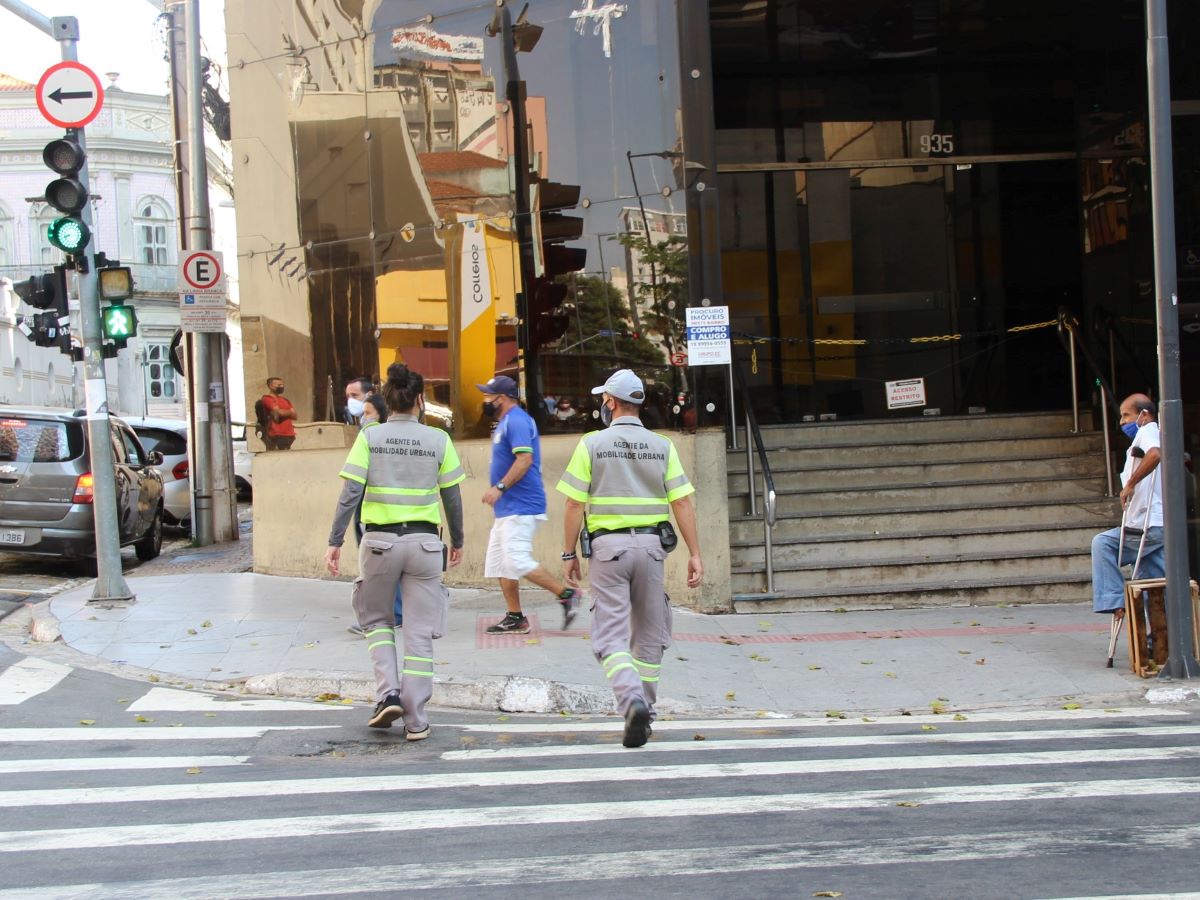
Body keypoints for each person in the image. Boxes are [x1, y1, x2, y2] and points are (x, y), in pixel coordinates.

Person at [556, 369, 703, 748]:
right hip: (653, 550)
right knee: (650, 636)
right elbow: (682, 501)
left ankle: (630, 699)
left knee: (610, 635)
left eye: (603, 399)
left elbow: (574, 503)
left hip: (609, 552)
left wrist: (568, 552)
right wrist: (696, 553)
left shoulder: (592, 444)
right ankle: (646, 714)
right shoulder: (662, 446)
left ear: (611, 402)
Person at [325, 364, 465, 737]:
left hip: (380, 544)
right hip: (424, 544)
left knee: (376, 621)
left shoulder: (370, 437)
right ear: (420, 400)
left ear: (387, 400)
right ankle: (416, 720)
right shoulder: (439, 440)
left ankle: (388, 694)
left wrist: (335, 540)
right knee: (419, 632)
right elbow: (452, 497)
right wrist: (459, 540)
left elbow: (350, 493)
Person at [477, 374, 580, 634]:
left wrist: (500, 487)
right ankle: (515, 617)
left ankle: (566, 594)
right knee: (501, 563)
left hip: (521, 505)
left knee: (517, 559)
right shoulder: (505, 422)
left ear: (502, 398)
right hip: (508, 507)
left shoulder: (518, 421)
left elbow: (524, 459)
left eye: (489, 396)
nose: (485, 400)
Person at [1091, 393, 1165, 617]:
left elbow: (1155, 454)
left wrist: (1130, 483)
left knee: (1102, 544)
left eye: (1126, 415)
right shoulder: (1157, 433)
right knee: (1153, 585)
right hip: (1156, 524)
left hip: (1147, 524)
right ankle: (1159, 642)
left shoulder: (1148, 430)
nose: (1122, 421)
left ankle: (1114, 601)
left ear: (1144, 415)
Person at [346, 393, 403, 636]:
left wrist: (334, 538)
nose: (363, 418)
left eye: (368, 413)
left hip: (378, 514)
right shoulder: (379, 440)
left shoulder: (373, 441)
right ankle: (396, 613)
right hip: (379, 512)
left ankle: (387, 615)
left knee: (376, 569)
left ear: (383, 414)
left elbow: (352, 487)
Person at [259, 376, 297, 450]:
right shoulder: (267, 399)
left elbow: (295, 415)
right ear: (270, 386)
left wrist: (283, 412)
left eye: (282, 385)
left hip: (289, 435)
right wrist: (289, 412)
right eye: (279, 385)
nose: (282, 387)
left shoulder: (285, 400)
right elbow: (279, 413)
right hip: (276, 435)